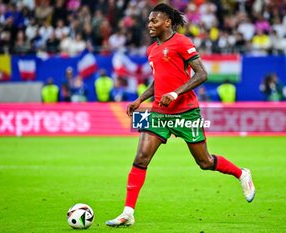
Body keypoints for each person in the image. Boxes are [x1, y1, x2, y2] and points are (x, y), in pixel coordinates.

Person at [105, 3, 255, 227]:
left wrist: (175, 93)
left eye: (154, 21)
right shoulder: (152, 50)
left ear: (167, 22)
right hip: (159, 111)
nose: (149, 25)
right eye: (148, 21)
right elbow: (159, 81)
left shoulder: (182, 42)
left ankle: (241, 173)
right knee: (141, 158)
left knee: (204, 162)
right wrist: (140, 99)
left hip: (186, 112)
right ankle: (128, 213)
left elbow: (202, 74)